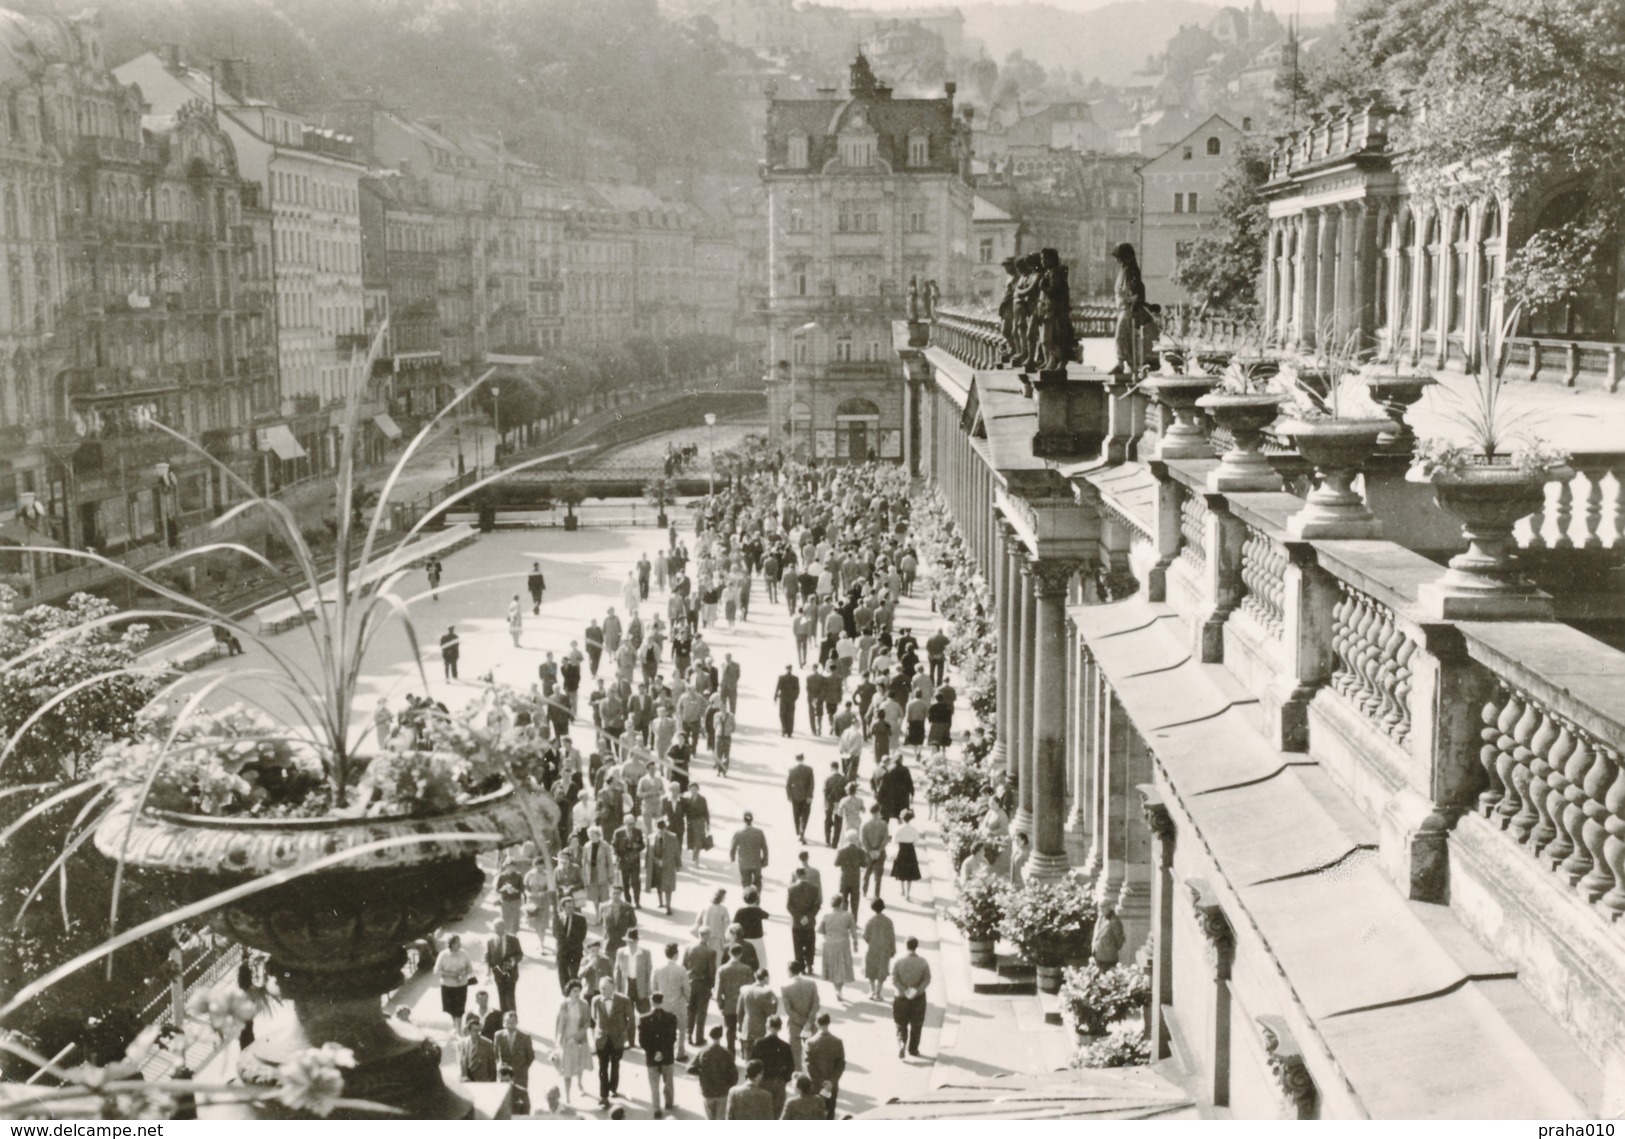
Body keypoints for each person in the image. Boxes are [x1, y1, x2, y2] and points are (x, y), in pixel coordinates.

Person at [591, 976, 634, 1108]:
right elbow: (594, 1017)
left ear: (613, 988)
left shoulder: (624, 1000)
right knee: (602, 1067)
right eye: (601, 988)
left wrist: (624, 1034)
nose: (602, 991)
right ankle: (604, 1096)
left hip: (617, 1039)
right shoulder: (595, 1000)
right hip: (602, 1039)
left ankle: (613, 1088)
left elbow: (630, 1019)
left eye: (605, 988)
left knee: (615, 1065)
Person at [637, 992, 679, 1118]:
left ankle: (656, 1108)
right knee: (668, 1081)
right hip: (667, 1056)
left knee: (654, 1084)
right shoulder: (671, 1018)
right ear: (662, 1002)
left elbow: (642, 1041)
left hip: (651, 1057)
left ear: (651, 1002)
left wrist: (654, 1052)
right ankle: (669, 1103)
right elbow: (672, 1038)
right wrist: (662, 1052)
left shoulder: (643, 1019)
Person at [891, 936, 932, 1059]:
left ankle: (902, 1043)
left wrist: (905, 990)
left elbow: (894, 979)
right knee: (916, 1025)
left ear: (906, 946)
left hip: (901, 997)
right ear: (916, 946)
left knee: (900, 1024)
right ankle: (913, 1049)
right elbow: (927, 979)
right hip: (918, 999)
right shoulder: (923, 962)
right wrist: (917, 991)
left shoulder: (898, 961)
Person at [652, 941, 692, 1062]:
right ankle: (680, 1053)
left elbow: (653, 987)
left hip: (663, 1003)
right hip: (678, 1003)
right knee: (681, 1029)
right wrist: (688, 1000)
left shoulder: (657, 968)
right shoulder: (681, 969)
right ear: (675, 955)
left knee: (664, 1030)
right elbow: (686, 988)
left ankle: (664, 1052)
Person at [554, 980, 593, 1103]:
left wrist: (577, 1037)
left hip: (579, 1039)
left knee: (580, 1064)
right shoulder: (563, 1005)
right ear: (569, 992)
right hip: (566, 1040)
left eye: (578, 991)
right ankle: (567, 1096)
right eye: (574, 991)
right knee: (567, 1070)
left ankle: (580, 1084)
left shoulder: (584, 1004)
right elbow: (558, 1023)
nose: (577, 993)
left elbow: (587, 1022)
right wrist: (557, 1041)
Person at [690, 1024, 739, 1120]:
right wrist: (729, 1086)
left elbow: (690, 1068)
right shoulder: (726, 1053)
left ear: (710, 1035)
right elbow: (734, 1076)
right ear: (721, 1036)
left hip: (707, 1091)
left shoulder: (703, 1051)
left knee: (709, 1118)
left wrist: (701, 1074)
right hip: (722, 1091)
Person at [779, 960, 820, 1073]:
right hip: (810, 1024)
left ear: (789, 971)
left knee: (796, 1056)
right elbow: (816, 1004)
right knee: (813, 1054)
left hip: (795, 1025)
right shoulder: (811, 983)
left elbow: (789, 1010)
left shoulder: (785, 987)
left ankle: (798, 1078)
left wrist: (801, 1022)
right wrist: (808, 1023)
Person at [494, 1009, 536, 1114]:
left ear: (517, 1023)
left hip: (520, 1074)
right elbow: (495, 1053)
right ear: (504, 1023)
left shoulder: (525, 1037)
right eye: (508, 1023)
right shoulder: (498, 1035)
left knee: (520, 1099)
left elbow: (530, 1056)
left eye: (513, 1023)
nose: (510, 1025)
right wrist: (500, 1066)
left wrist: (523, 1067)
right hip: (505, 1074)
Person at [715, 945, 754, 1057]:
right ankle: (743, 1051)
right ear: (740, 954)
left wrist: (720, 1005)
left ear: (729, 953)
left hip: (729, 1005)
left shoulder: (722, 969)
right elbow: (750, 988)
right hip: (743, 1005)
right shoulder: (746, 969)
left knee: (729, 1031)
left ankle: (731, 1053)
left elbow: (718, 991)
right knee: (743, 1029)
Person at [805, 1013, 846, 1119]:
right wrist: (831, 1081)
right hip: (832, 1086)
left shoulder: (810, 1042)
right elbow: (841, 1064)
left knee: (815, 1116)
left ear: (817, 1023)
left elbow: (809, 1065)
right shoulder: (837, 1042)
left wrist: (821, 1081)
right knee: (830, 1114)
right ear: (829, 1023)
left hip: (817, 1086)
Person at [752, 1015, 794, 1117]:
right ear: (780, 1028)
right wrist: (784, 1080)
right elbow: (791, 1066)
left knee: (761, 1113)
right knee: (776, 1114)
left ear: (767, 1026)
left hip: (762, 1081)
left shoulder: (758, 1043)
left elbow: (752, 1064)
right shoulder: (785, 1046)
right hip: (778, 1083)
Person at [818, 895, 857, 1001]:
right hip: (843, 944)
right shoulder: (848, 916)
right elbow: (853, 931)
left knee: (833, 968)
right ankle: (839, 990)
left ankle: (837, 990)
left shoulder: (826, 916)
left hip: (829, 944)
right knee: (842, 967)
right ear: (841, 904)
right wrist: (855, 943)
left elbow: (820, 930)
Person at [684, 933, 717, 1049]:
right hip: (703, 985)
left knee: (690, 1010)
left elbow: (684, 966)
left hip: (690, 983)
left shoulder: (688, 948)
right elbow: (712, 972)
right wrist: (711, 986)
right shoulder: (711, 952)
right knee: (701, 1013)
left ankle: (688, 1035)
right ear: (707, 937)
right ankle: (699, 1038)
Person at [737, 967, 778, 1057]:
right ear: (766, 977)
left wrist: (740, 1025)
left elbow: (739, 1011)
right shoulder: (767, 992)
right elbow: (770, 1013)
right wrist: (775, 1003)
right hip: (760, 1029)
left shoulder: (745, 990)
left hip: (746, 1028)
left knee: (748, 1058)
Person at [786, 867, 821, 974]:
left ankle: (801, 967)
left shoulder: (791, 889)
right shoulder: (814, 888)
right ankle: (810, 965)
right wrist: (808, 917)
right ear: (805, 875)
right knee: (810, 944)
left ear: (797, 875)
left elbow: (789, 906)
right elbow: (817, 905)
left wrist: (799, 917)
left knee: (798, 946)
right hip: (809, 923)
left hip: (797, 923)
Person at [485, 919, 523, 1013]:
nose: (496, 930)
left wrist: (512, 961)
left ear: (504, 927)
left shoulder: (513, 940)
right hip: (498, 974)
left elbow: (519, 954)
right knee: (502, 997)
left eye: (498, 928)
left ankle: (512, 1018)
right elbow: (488, 957)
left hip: (511, 974)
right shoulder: (490, 942)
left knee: (510, 997)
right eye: (495, 928)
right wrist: (488, 972)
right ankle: (504, 1020)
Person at [435, 934, 474, 1021]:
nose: (459, 944)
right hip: (447, 986)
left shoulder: (464, 953)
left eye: (459, 942)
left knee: (460, 1010)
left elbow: (470, 969)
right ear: (451, 944)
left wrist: (463, 973)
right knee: (450, 1010)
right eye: (457, 942)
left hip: (461, 986)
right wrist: (450, 975)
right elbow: (437, 971)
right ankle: (454, 1028)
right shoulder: (443, 955)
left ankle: (458, 1029)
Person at [863, 898, 896, 1001]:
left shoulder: (870, 921)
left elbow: (865, 936)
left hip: (873, 948)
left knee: (871, 969)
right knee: (882, 970)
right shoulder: (888, 921)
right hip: (884, 949)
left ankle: (872, 991)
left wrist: (871, 942)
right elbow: (892, 937)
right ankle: (878, 993)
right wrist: (892, 949)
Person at [615, 928, 653, 1014]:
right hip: (627, 986)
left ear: (637, 941)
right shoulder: (621, 952)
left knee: (645, 1013)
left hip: (641, 987)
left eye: (632, 941)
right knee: (627, 1014)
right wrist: (618, 989)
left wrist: (648, 990)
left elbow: (649, 973)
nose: (630, 944)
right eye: (628, 941)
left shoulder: (645, 953)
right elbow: (617, 972)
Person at [729, 811, 769, 891]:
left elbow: (732, 848)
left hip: (744, 864)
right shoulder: (759, 832)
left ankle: (748, 898)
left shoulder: (738, 833)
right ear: (752, 820)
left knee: (746, 883)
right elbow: (764, 848)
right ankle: (756, 898)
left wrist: (732, 859)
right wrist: (765, 860)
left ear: (744, 820)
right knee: (757, 882)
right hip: (756, 863)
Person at [555, 896, 588, 992]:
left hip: (575, 951)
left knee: (574, 975)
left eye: (572, 907)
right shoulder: (557, 919)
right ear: (563, 908)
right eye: (568, 907)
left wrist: (572, 945)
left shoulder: (580, 919)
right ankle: (565, 994)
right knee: (562, 975)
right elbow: (555, 934)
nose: (571, 909)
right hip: (562, 952)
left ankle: (575, 993)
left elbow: (582, 935)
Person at [648, 818, 680, 914]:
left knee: (668, 887)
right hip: (657, 865)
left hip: (668, 865)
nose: (661, 831)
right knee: (658, 885)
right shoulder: (651, 837)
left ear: (666, 828)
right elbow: (650, 852)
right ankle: (661, 902)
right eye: (659, 829)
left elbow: (676, 852)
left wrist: (678, 864)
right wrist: (657, 861)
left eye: (662, 829)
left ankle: (668, 906)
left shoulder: (672, 837)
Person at [860, 804, 890, 899]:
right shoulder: (883, 824)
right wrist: (878, 850)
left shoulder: (865, 824)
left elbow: (863, 840)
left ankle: (864, 890)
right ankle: (876, 895)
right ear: (878, 812)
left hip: (868, 853)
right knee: (878, 876)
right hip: (880, 853)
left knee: (867, 872)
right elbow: (885, 839)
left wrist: (869, 851)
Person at [892, 809, 922, 902]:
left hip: (901, 850)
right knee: (910, 873)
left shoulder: (898, 828)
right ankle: (908, 894)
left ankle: (902, 890)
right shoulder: (914, 829)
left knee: (901, 871)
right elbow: (917, 843)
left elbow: (894, 841)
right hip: (910, 851)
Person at [834, 830, 866, 920]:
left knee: (843, 900)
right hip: (855, 879)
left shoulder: (841, 851)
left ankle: (843, 920)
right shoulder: (861, 852)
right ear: (856, 839)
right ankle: (853, 921)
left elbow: (836, 863)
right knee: (855, 902)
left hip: (844, 878)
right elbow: (865, 864)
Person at [457, 1012, 496, 1083]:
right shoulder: (462, 1044)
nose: (478, 1033)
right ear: (469, 1031)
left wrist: (491, 1084)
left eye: (479, 1030)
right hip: (467, 1082)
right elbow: (461, 1063)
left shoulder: (487, 1043)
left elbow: (492, 1068)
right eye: (475, 1031)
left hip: (483, 1082)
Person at [785, 753, 814, 844]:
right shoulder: (809, 770)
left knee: (796, 814)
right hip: (805, 797)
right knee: (805, 815)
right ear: (803, 759)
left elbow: (788, 784)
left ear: (796, 759)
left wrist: (789, 796)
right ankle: (802, 831)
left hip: (795, 796)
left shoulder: (792, 770)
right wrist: (810, 796)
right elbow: (811, 784)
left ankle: (798, 830)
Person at [693, 888, 729, 956]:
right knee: (717, 957)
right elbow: (726, 925)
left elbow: (698, 921)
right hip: (717, 938)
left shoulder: (706, 907)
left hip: (705, 936)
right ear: (721, 898)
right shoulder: (723, 909)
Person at [602, 887, 637, 956]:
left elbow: (633, 923)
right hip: (609, 941)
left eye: (618, 893)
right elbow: (602, 922)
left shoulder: (628, 907)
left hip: (623, 941)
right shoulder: (604, 907)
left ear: (621, 894)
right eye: (613, 893)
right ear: (610, 894)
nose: (615, 895)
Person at [1092, 902, 1126, 968]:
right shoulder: (1100, 918)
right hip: (1098, 955)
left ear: (1109, 907)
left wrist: (1111, 948)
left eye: (1103, 907)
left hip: (1109, 957)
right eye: (1100, 907)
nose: (1101, 909)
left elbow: (1120, 939)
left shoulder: (1114, 921)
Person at [822, 762, 847, 847]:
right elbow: (846, 793)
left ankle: (827, 841)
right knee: (838, 823)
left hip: (830, 804)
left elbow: (825, 791)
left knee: (827, 821)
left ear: (831, 768)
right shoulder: (844, 779)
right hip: (840, 804)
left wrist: (827, 802)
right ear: (838, 768)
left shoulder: (828, 778)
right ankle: (834, 843)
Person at [773, 665, 800, 737]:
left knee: (788, 715)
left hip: (787, 699)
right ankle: (784, 729)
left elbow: (797, 690)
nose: (789, 670)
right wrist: (775, 696)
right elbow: (778, 687)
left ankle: (789, 731)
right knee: (784, 714)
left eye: (790, 669)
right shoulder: (783, 678)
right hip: (785, 698)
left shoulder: (794, 678)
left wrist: (795, 698)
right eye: (788, 669)